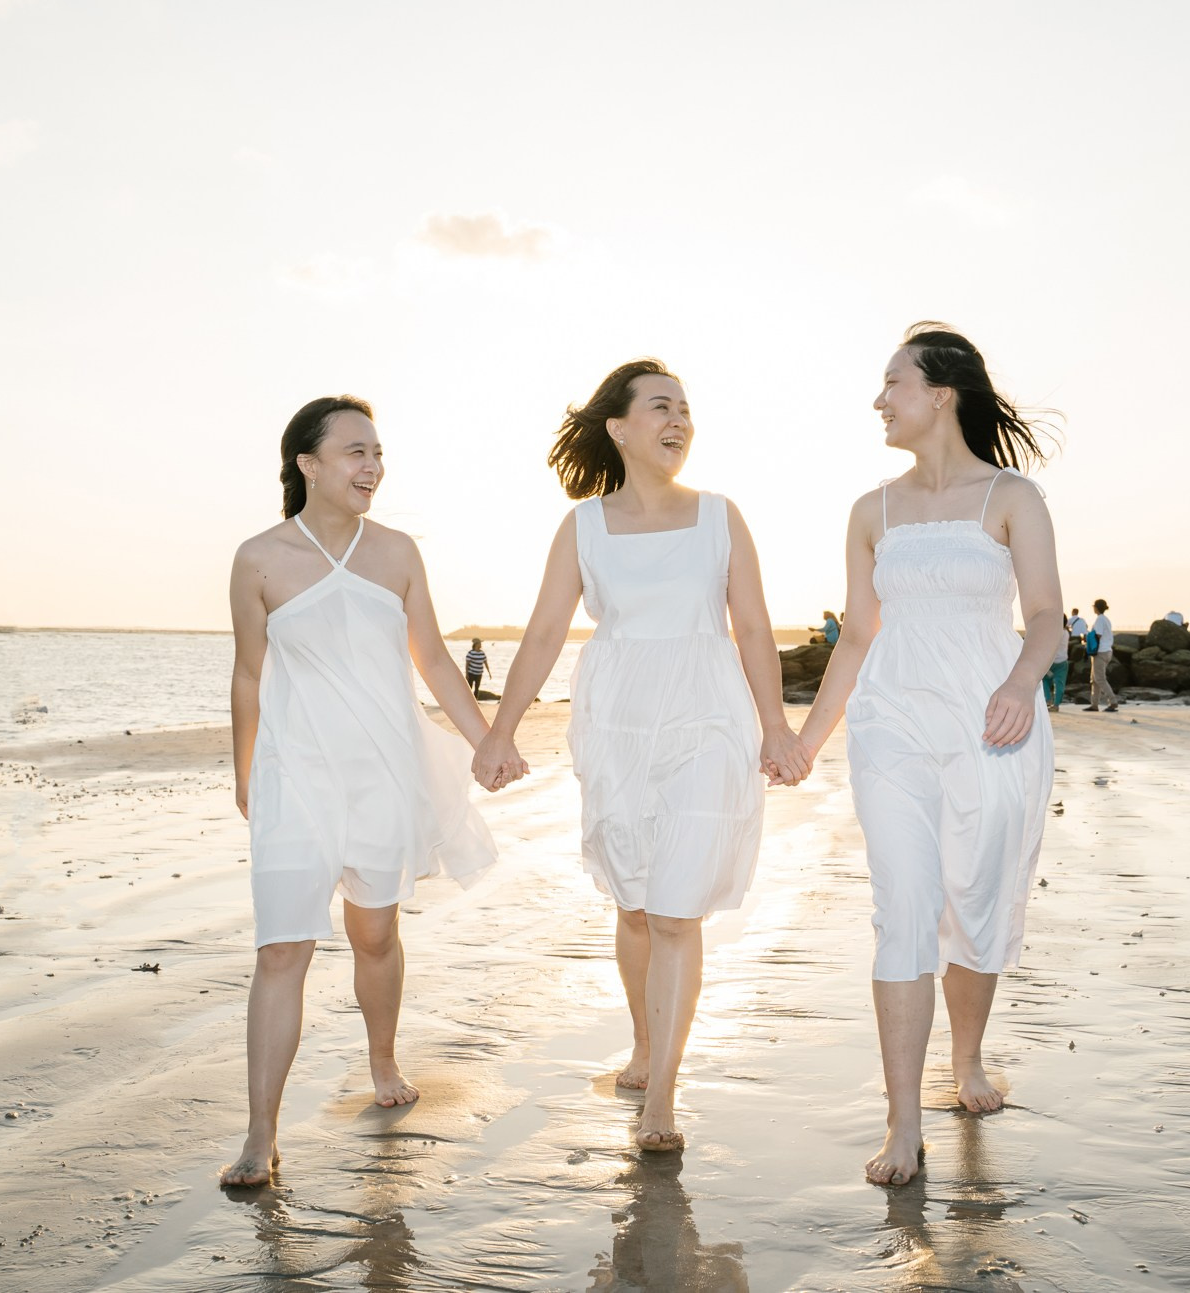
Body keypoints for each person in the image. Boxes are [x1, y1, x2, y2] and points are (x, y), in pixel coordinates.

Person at [474, 359, 808, 1153]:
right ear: (619, 427)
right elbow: (548, 631)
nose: (680, 420)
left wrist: (777, 725)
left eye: (687, 408)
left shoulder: (722, 516)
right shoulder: (582, 525)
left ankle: (662, 1095)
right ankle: (644, 1039)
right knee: (633, 902)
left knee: (674, 906)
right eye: (662, 406)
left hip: (706, 717)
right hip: (620, 721)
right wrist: (500, 728)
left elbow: (754, 628)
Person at [221, 395, 518, 1188]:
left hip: (383, 770)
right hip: (294, 775)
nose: (372, 466)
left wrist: (490, 738)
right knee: (281, 947)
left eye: (378, 452)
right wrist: (244, 769)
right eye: (355, 452)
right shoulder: (258, 559)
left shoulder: (397, 553)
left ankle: (383, 1059)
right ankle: (260, 1134)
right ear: (307, 464)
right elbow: (249, 674)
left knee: (375, 934)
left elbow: (435, 662)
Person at [799, 322, 1062, 1188]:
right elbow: (857, 635)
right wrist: (805, 741)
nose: (879, 400)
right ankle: (903, 1122)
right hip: (892, 725)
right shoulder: (870, 511)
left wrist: (1023, 683)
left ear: (941, 392)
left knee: (977, 898)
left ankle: (970, 1056)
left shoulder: (1011, 498)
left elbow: (1048, 619)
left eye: (893, 383)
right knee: (903, 906)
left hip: (992, 721)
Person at [1086, 598, 1117, 712]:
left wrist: (1088, 639)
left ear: (1097, 607)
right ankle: (1094, 704)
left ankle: (1113, 701)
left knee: (1100, 679)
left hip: (1100, 651)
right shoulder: (1106, 620)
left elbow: (1098, 635)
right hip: (1107, 650)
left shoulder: (1099, 619)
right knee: (1095, 679)